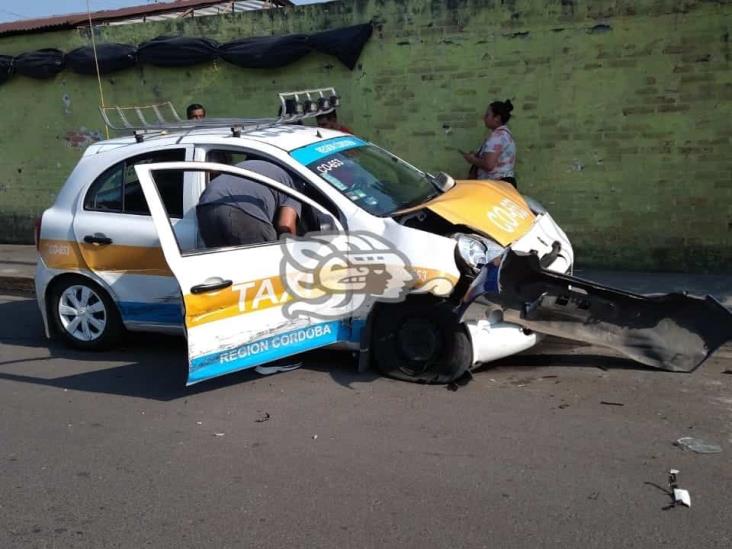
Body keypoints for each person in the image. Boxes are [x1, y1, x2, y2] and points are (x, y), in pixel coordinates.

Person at [196, 160, 304, 376]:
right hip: (242, 212)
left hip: (206, 207)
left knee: (234, 286)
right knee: (267, 285)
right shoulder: (294, 182)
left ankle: (228, 350)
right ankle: (269, 358)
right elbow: (286, 225)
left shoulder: (259, 163)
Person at [196, 160, 301, 247]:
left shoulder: (265, 166)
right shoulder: (295, 184)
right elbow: (286, 226)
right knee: (264, 266)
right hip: (240, 209)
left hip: (206, 204)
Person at [462, 99, 517, 188]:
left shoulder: (497, 137)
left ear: (497, 118)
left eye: (487, 115)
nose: (484, 118)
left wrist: (472, 159)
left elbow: (489, 165)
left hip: (496, 184)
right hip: (504, 183)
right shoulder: (505, 134)